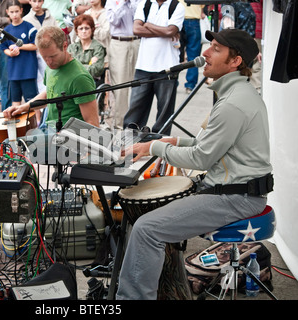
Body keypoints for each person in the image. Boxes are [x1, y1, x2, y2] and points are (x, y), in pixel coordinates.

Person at [117, 28, 271, 300]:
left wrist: (154, 147)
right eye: (209, 45)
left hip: (237, 196)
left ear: (235, 62)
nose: (205, 53)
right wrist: (172, 141)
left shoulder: (232, 103)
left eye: (216, 49)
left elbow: (201, 158)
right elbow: (209, 146)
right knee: (145, 219)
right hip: (232, 189)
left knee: (147, 228)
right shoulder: (236, 93)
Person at [3, 25, 99, 128]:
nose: (49, 62)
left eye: (53, 56)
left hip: (67, 138)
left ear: (65, 46)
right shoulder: (51, 67)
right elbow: (50, 93)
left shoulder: (80, 78)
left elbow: (92, 125)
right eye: (44, 57)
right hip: (49, 129)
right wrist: (23, 107)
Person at [123, 0, 185, 136]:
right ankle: (128, 144)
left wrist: (148, 25)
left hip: (168, 67)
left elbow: (171, 31)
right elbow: (136, 29)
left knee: (164, 113)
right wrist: (164, 31)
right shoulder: (145, 5)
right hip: (143, 66)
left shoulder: (176, 6)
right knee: (135, 109)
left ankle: (159, 147)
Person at [105, 0, 141, 130]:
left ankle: (136, 122)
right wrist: (122, 3)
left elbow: (142, 17)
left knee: (139, 85)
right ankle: (121, 125)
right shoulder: (112, 2)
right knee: (121, 87)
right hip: (119, 43)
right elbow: (113, 20)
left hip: (137, 42)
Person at [1, 0, 39, 118]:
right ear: (7, 12)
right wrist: (10, 53)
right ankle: (17, 125)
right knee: (15, 100)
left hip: (28, 71)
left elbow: (35, 45)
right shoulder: (6, 31)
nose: (15, 15)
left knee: (32, 100)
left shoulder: (29, 27)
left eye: (17, 11)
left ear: (22, 10)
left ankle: (38, 122)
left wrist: (19, 46)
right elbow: (4, 48)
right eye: (12, 12)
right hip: (13, 72)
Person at [23, 0, 57, 94]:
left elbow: (56, 36)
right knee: (38, 82)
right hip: (33, 55)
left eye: (39, 1)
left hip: (50, 54)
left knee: (52, 80)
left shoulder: (51, 18)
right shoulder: (26, 19)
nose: (37, 4)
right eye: (34, 1)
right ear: (29, 1)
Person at [67, 14, 106, 80]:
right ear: (76, 31)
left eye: (87, 28)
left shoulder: (98, 48)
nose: (84, 31)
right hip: (72, 81)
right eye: (81, 28)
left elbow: (96, 70)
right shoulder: (71, 48)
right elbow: (67, 68)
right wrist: (88, 65)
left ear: (92, 29)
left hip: (92, 82)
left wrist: (75, 67)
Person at [178, 1, 204, 94]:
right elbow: (202, 8)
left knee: (175, 53)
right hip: (194, 21)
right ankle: (190, 85)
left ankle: (172, 80)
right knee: (193, 55)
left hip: (178, 20)